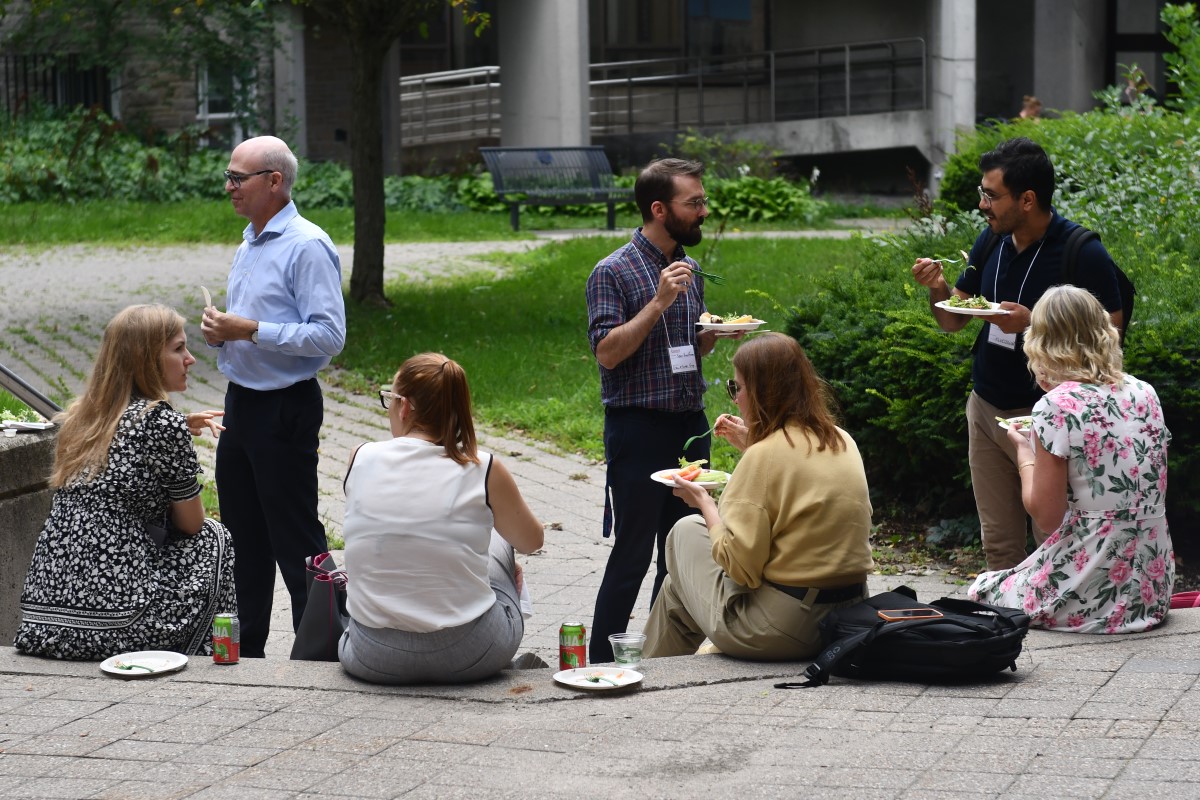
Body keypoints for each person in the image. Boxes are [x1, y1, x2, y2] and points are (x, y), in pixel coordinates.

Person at [911, 137, 1122, 572]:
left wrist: (1031, 323)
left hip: (1047, 414)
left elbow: (1110, 335)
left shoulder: (1081, 251)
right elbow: (953, 317)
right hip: (986, 407)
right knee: (1000, 546)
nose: (983, 205)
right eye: (981, 193)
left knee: (1055, 539)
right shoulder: (991, 240)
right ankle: (1006, 628)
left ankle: (1059, 619)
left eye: (992, 195)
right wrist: (937, 288)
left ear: (1027, 199)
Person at [14, 305, 234, 659]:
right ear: (145, 359)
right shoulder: (162, 424)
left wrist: (175, 430)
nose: (190, 359)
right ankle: (216, 653)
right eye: (178, 349)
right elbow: (191, 524)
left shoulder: (78, 421)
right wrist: (177, 442)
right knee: (215, 538)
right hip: (117, 626)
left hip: (44, 624)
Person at [201, 135, 346, 657]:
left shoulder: (306, 244)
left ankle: (321, 646)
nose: (229, 186)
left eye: (238, 177)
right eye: (228, 176)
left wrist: (252, 329)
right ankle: (247, 647)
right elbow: (250, 326)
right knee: (242, 534)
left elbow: (329, 337)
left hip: (285, 404)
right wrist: (223, 333)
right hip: (242, 402)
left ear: (274, 182)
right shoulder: (249, 240)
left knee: (295, 535)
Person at [585, 157, 735, 664]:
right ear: (658, 209)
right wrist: (657, 302)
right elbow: (607, 352)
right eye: (693, 203)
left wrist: (712, 334)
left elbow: (689, 347)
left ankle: (660, 654)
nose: (703, 211)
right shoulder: (612, 271)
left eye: (702, 201)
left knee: (681, 549)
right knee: (632, 554)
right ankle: (600, 664)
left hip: (689, 425)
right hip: (638, 427)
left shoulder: (688, 268)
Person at [642, 333, 874, 660]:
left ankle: (639, 677)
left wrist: (705, 503)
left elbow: (741, 568)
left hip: (788, 628)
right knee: (677, 592)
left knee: (685, 531)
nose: (735, 399)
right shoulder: (840, 439)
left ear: (765, 393)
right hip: (849, 613)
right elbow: (799, 484)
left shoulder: (764, 456)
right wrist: (754, 443)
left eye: (737, 388)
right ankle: (653, 674)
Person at [969, 286, 1173, 632]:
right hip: (1150, 588)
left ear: (1040, 341)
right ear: (1103, 332)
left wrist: (1024, 452)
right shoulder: (1144, 392)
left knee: (983, 591)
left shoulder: (1056, 406)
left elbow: (1048, 518)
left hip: (1091, 585)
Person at [338, 353, 544, 684]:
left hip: (371, 655)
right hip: (472, 653)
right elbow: (532, 541)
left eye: (388, 399)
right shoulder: (484, 467)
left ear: (404, 406)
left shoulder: (359, 457)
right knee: (500, 542)